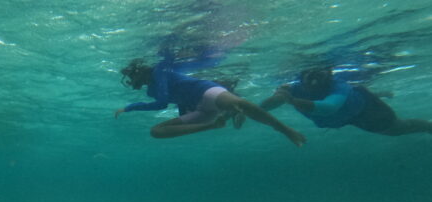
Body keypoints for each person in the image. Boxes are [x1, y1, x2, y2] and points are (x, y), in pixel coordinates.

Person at [114, 58, 306, 147]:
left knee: (242, 104)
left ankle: (285, 129)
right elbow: (167, 103)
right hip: (200, 109)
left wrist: (130, 107)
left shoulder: (159, 70)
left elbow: (162, 102)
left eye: (132, 75)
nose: (132, 80)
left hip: (205, 91)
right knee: (156, 131)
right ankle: (214, 124)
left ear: (140, 71)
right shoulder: (151, 90)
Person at [260, 67, 432, 136]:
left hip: (365, 109)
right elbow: (275, 101)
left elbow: (328, 108)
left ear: (328, 77)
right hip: (347, 116)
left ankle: (429, 126)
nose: (315, 82)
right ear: (302, 77)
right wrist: (251, 109)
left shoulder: (338, 86)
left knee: (396, 128)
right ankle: (380, 93)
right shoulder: (292, 88)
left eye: (321, 77)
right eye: (310, 77)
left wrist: (291, 100)